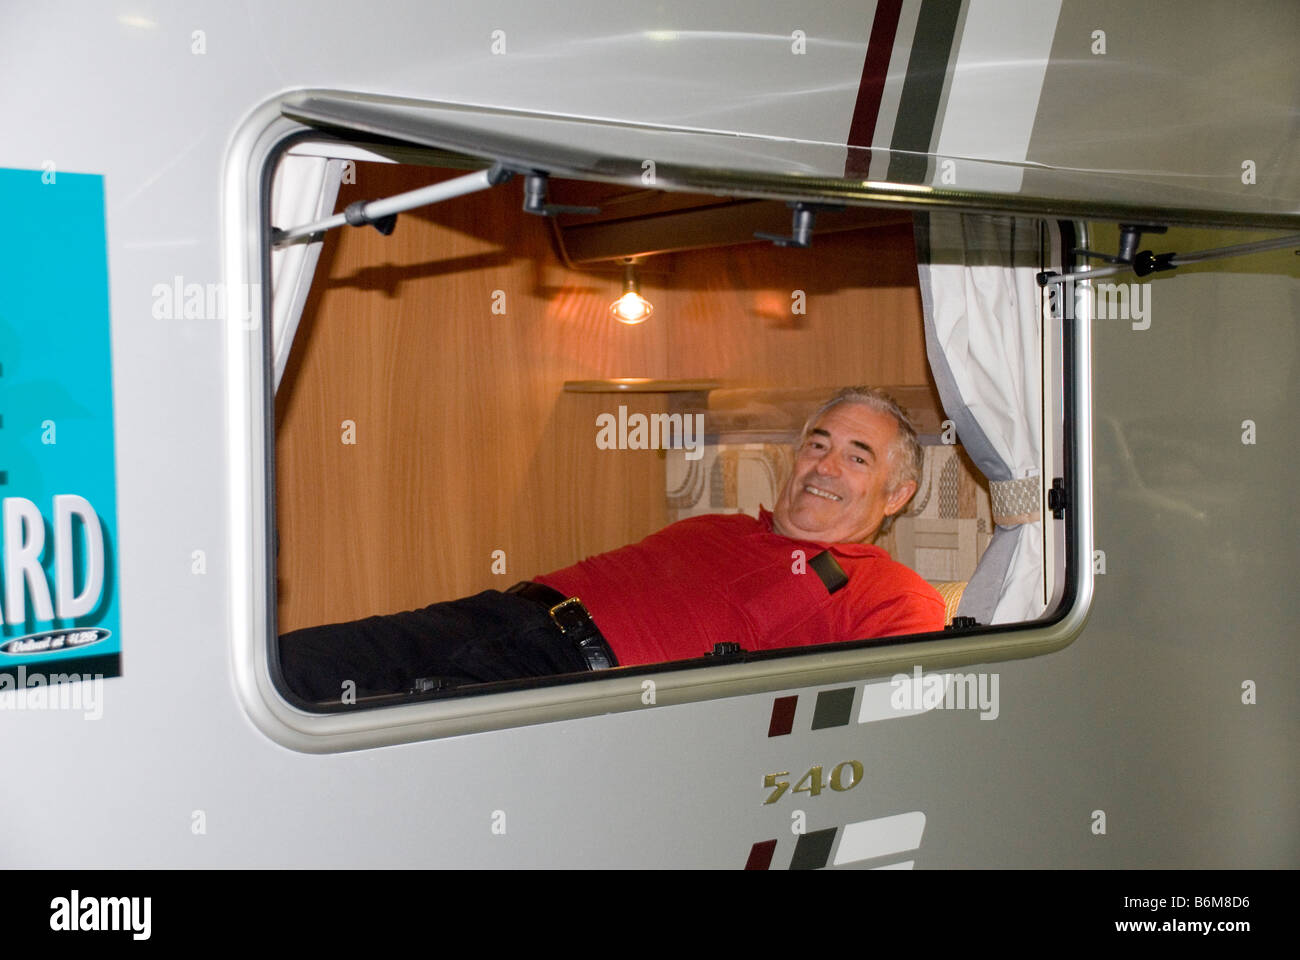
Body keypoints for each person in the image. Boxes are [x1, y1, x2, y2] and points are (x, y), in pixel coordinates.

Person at [279, 386, 946, 702]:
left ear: (897, 496)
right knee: (284, 669)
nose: (825, 466)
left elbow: (876, 707)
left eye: (858, 458)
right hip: (499, 613)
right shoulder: (718, 528)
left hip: (569, 683)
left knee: (353, 742)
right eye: (817, 445)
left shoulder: (892, 592)